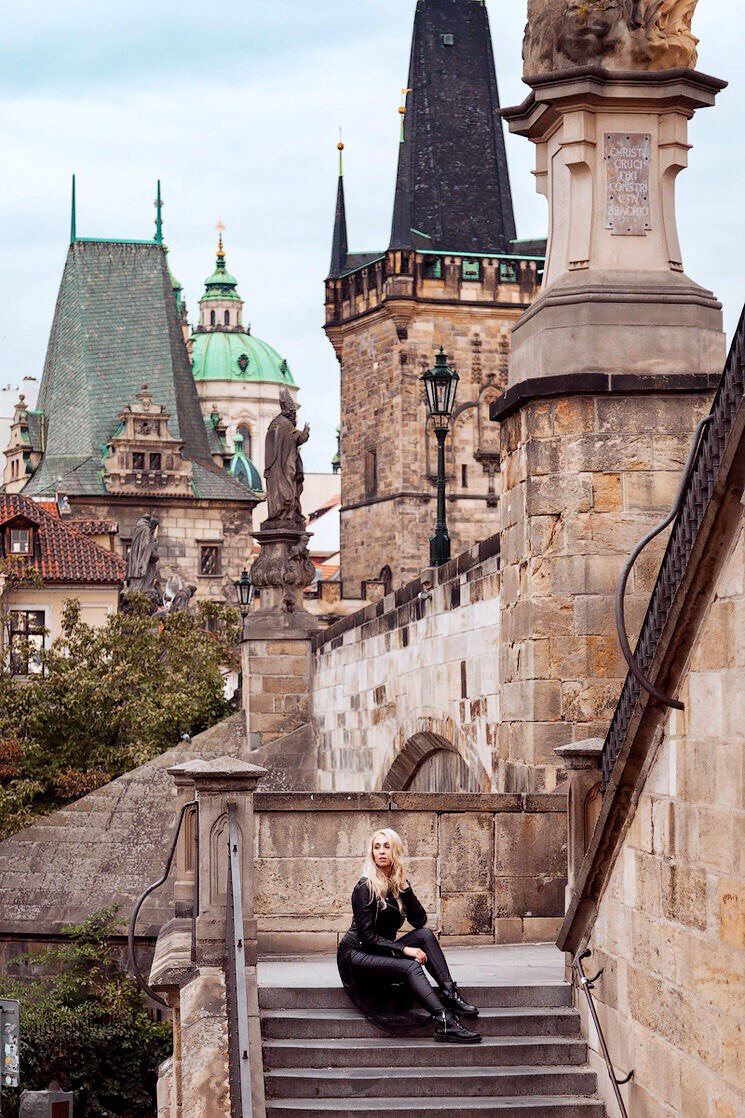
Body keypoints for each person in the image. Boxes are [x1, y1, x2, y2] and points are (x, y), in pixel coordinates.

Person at [337, 828, 482, 1043]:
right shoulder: (364, 887)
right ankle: (444, 1021)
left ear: (395, 851)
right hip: (357, 955)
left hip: (379, 949)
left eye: (386, 847)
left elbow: (419, 921)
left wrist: (405, 889)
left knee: (424, 934)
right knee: (411, 965)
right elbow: (367, 937)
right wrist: (405, 949)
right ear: (372, 854)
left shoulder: (396, 884)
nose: (381, 852)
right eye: (377, 848)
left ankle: (450, 993)